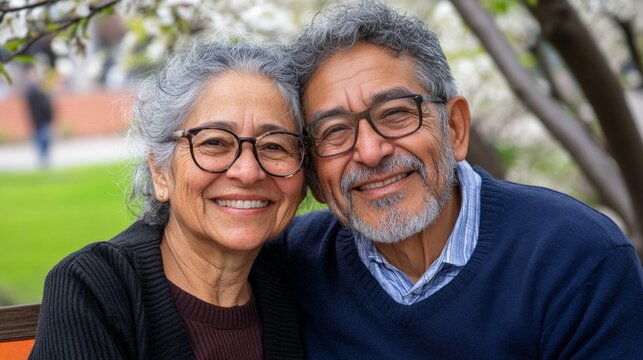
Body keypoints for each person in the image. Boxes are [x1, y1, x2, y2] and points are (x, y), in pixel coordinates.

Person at [272, 0, 643, 358]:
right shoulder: (288, 264)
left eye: (396, 113)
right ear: (315, 177)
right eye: (334, 131)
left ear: (455, 128)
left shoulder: (575, 258)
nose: (370, 152)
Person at [30, 41, 305, 359]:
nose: (248, 171)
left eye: (275, 146)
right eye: (214, 142)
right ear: (160, 172)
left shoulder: (302, 276)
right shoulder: (92, 287)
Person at [24, 63, 54, 168]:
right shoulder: (31, 90)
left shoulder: (40, 88)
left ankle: (44, 159)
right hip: (38, 119)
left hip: (44, 118)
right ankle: (42, 160)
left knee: (45, 139)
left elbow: (47, 103)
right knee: (41, 139)